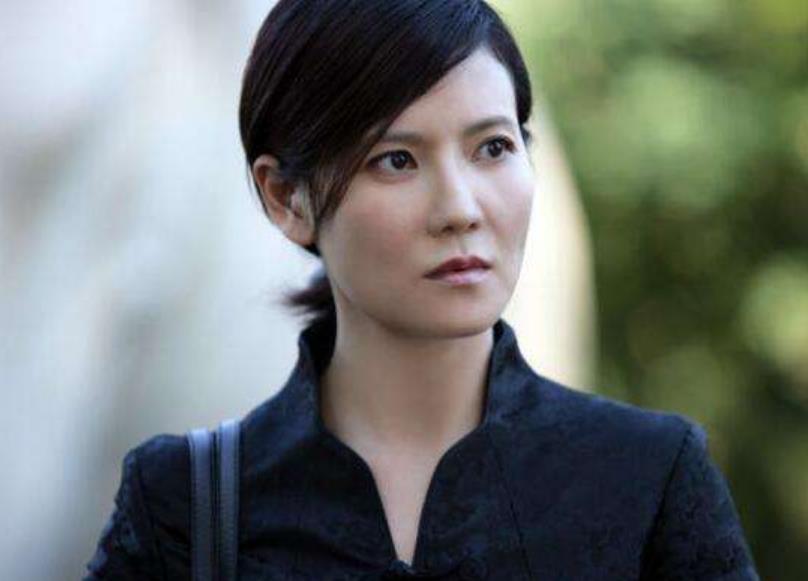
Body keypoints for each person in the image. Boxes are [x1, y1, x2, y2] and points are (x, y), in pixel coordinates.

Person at [83, 0, 760, 579]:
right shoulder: (187, 505)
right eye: (397, 160)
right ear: (286, 197)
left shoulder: (646, 480)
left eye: (492, 148)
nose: (460, 208)